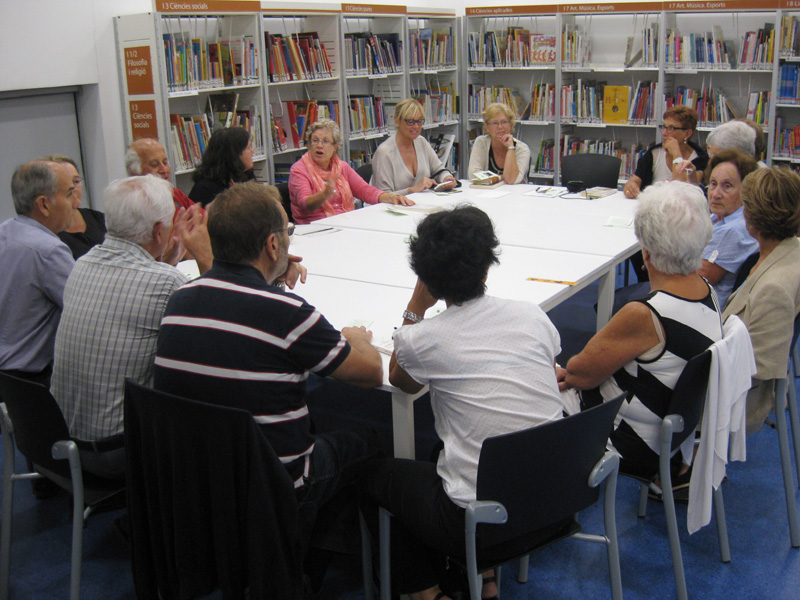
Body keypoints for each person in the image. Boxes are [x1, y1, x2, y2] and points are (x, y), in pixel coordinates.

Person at [152, 182, 384, 589]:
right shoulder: (288, 314)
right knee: (368, 441)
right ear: (273, 245)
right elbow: (370, 373)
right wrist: (356, 339)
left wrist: (271, 277)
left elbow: (236, 318)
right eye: (286, 234)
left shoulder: (180, 300)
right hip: (276, 485)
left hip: (200, 479)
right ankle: (317, 555)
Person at [362, 206, 563, 600]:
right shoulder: (532, 316)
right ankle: (484, 578)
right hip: (555, 502)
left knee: (373, 476)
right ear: (487, 267)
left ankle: (428, 593)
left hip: (479, 524)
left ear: (426, 276)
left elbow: (400, 379)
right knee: (448, 450)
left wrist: (416, 305)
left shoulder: (426, 338)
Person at [558, 181, 723, 481]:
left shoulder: (646, 314)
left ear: (646, 252)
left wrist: (562, 372)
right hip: (671, 434)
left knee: (526, 393)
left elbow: (580, 374)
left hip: (627, 440)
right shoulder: (706, 291)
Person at [51, 175, 211, 479]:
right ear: (158, 231)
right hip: (117, 452)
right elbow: (224, 325)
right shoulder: (166, 283)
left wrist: (167, 260)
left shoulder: (82, 263)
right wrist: (205, 256)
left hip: (63, 441)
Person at [722, 167, 800, 433]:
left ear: (750, 216)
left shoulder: (774, 288)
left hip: (733, 396)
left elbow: (756, 368)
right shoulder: (790, 252)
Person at [0, 161, 75, 386]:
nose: (75, 203)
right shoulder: (49, 251)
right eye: (69, 194)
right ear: (44, 204)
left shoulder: (6, 231)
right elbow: (86, 310)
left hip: (8, 379)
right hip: (34, 379)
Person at [289, 119, 413, 224]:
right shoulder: (299, 170)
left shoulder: (341, 167)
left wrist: (391, 197)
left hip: (344, 223)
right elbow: (304, 204)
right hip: (314, 228)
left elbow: (365, 190)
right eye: (315, 140)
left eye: (325, 141)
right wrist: (325, 194)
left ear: (335, 146)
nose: (319, 145)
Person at [698, 149, 759, 307]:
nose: (715, 194)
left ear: (746, 190)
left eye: (727, 186)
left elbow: (700, 279)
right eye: (713, 184)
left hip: (705, 309)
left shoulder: (733, 230)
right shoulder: (719, 217)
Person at [370, 98, 458, 195]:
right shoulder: (384, 152)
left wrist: (446, 178)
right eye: (410, 122)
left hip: (421, 202)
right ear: (397, 120)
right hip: (392, 204)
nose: (416, 126)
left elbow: (439, 169)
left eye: (419, 121)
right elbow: (382, 196)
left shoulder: (421, 142)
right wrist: (412, 190)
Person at [623, 106, 709, 199]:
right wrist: (630, 186)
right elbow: (635, 180)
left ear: (687, 133)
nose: (664, 133)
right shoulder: (654, 153)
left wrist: (676, 154)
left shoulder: (700, 158)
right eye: (664, 127)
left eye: (671, 128)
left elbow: (683, 191)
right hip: (653, 204)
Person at [43, 155, 107, 259]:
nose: (73, 189)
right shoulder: (48, 232)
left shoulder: (99, 218)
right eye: (64, 183)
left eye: (76, 181)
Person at [188, 127, 256, 206]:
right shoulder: (204, 189)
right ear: (234, 155)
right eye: (248, 148)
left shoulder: (246, 175)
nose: (252, 151)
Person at [467, 102, 531, 184]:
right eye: (495, 123)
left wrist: (510, 148)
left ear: (510, 124)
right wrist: (501, 177)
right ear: (487, 127)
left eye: (504, 122)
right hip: (487, 191)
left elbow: (512, 180)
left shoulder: (522, 149)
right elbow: (473, 175)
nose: (500, 127)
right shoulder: (481, 142)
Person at [125, 138, 196, 210]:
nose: (164, 170)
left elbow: (199, 213)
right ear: (134, 172)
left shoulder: (175, 193)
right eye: (154, 165)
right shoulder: (133, 204)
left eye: (165, 163)